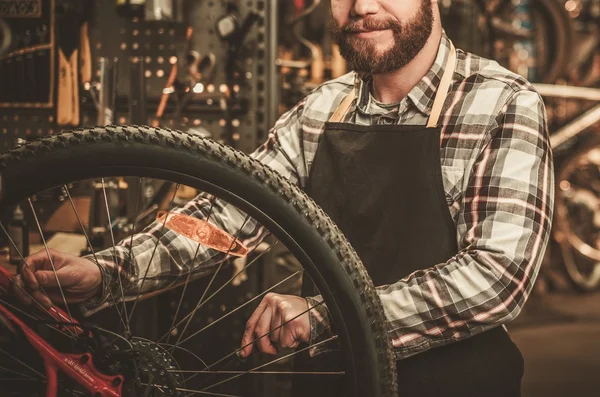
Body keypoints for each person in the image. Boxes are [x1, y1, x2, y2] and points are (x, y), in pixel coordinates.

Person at [15, 0, 554, 396]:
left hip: (456, 384)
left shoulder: (501, 103)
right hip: (334, 380)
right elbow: (225, 219)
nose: (362, 8)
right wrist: (108, 271)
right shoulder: (322, 109)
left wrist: (328, 314)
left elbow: (497, 278)